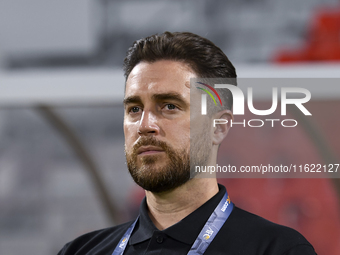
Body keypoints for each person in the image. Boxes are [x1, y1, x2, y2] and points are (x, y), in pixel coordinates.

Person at [58, 32, 317, 255]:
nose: (145, 125)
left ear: (219, 126)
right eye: (135, 108)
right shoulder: (80, 251)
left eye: (169, 106)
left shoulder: (278, 249)